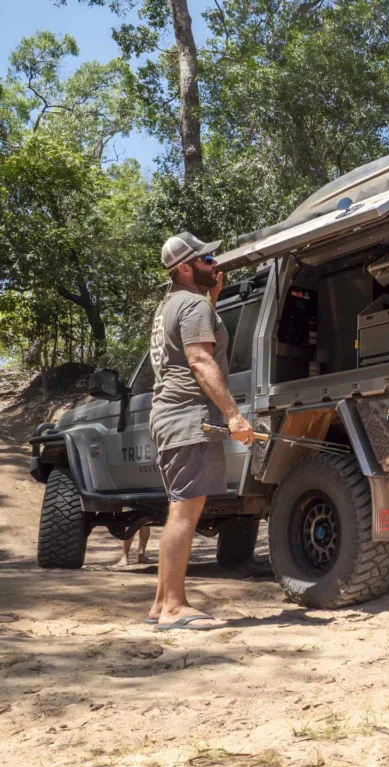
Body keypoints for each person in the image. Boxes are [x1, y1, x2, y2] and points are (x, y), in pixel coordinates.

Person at [146, 232, 254, 631]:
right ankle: (175, 607)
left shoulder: (173, 305)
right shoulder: (192, 305)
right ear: (185, 268)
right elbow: (198, 360)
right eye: (208, 258)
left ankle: (161, 603)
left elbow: (186, 339)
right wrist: (233, 416)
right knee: (185, 510)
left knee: (180, 505)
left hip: (169, 415)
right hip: (188, 415)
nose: (216, 263)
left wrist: (211, 298)